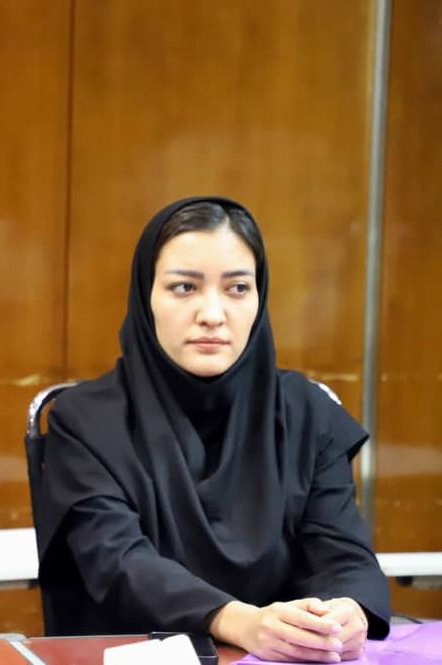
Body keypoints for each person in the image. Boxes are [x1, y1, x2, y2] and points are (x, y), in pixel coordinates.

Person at [35, 196, 390, 662]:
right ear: (145, 296)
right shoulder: (85, 421)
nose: (213, 314)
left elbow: (342, 551)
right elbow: (117, 562)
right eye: (184, 287)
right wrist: (240, 622)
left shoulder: (306, 413)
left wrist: (347, 609)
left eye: (237, 288)